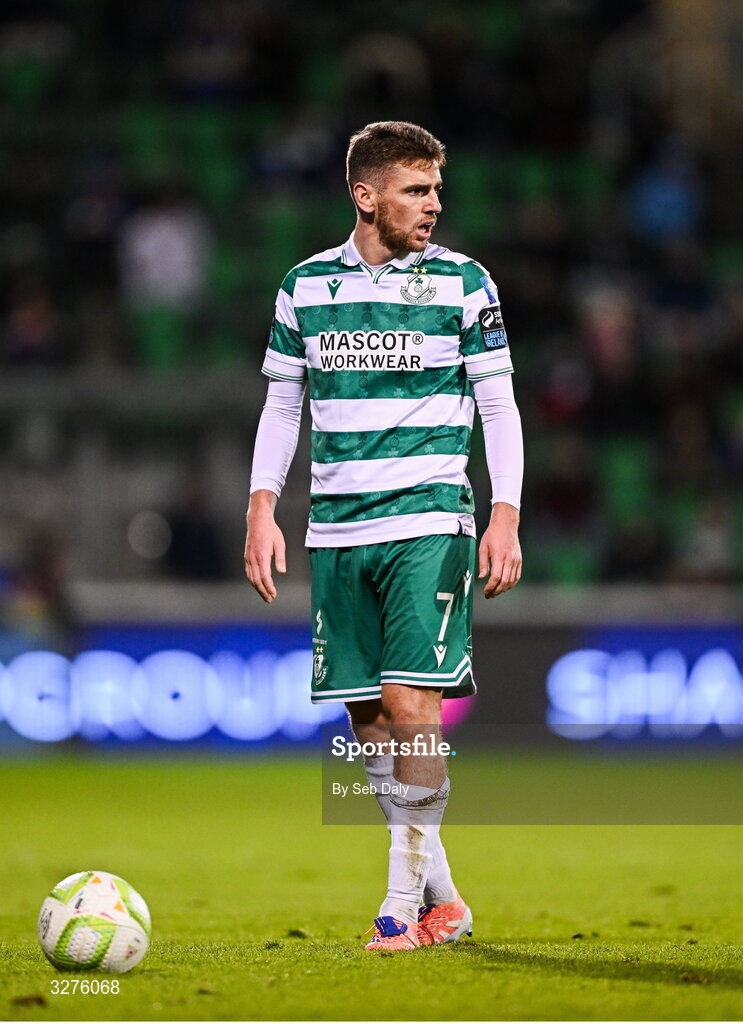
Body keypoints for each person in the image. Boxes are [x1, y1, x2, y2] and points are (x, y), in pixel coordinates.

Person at [245, 121, 523, 951]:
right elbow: (283, 406)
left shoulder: (464, 282)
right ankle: (446, 901)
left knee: (412, 708)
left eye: (435, 189)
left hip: (427, 517)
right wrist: (261, 507)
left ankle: (398, 908)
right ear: (365, 196)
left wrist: (504, 512)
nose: (432, 204)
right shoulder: (304, 287)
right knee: (369, 720)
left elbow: (498, 404)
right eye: (415, 189)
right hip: (336, 527)